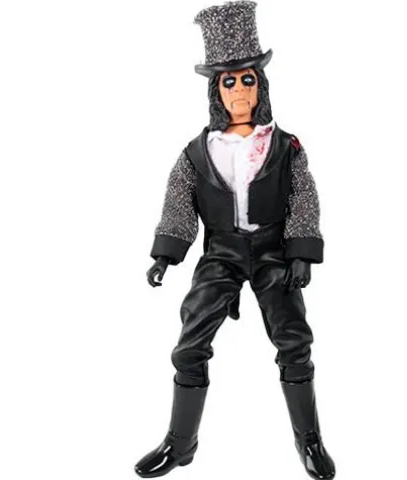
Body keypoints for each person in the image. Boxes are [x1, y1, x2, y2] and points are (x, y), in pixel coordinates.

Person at [134, 2, 335, 479]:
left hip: (272, 251)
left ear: (261, 85)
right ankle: (181, 441)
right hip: (220, 252)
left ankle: (309, 438)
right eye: (229, 82)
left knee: (293, 339)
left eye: (247, 79)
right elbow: (179, 202)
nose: (240, 90)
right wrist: (166, 254)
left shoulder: (285, 146)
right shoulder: (196, 152)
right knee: (189, 344)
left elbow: (303, 197)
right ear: (216, 90)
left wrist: (301, 252)